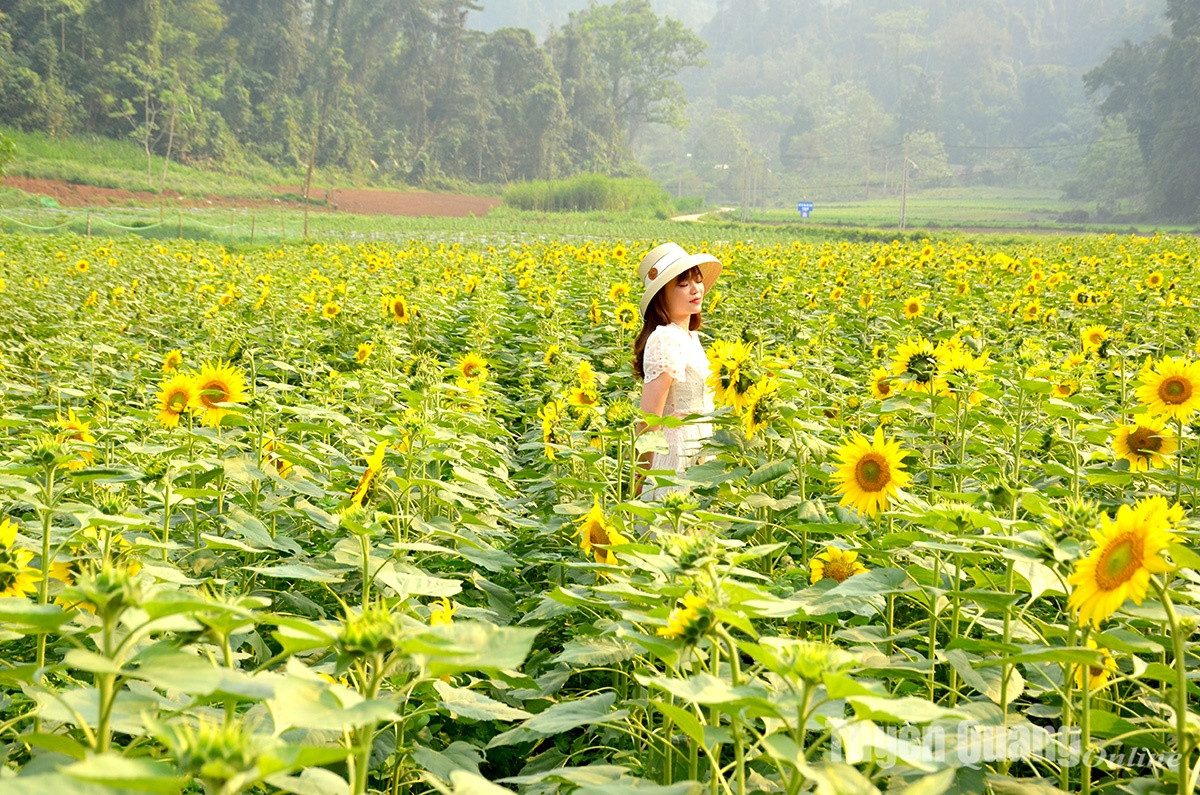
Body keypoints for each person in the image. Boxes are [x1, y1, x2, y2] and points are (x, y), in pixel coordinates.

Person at [631, 242, 722, 502]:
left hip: (700, 451)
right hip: (675, 459)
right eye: (683, 284)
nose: (696, 289)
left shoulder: (690, 336)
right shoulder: (665, 339)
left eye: (698, 281)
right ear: (661, 295)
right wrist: (637, 481)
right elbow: (649, 420)